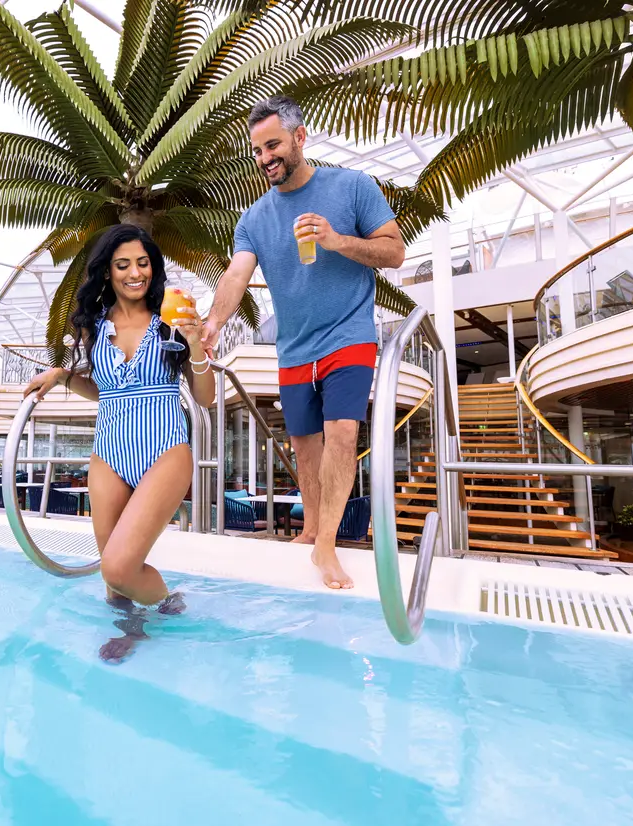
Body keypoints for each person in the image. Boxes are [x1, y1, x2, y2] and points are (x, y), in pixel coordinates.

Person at [201, 95, 406, 590]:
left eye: (272, 145)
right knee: (304, 446)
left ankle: (326, 545)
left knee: (342, 433)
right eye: (257, 150)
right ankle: (312, 527)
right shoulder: (254, 219)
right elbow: (236, 274)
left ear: (299, 137)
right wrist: (214, 322)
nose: (264, 158)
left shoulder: (352, 187)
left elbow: (395, 251)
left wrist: (337, 240)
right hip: (294, 349)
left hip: (348, 335)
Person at [24, 224, 216, 661]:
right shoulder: (95, 326)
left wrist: (195, 345)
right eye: (123, 264)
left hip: (165, 449)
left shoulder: (171, 320)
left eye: (143, 263)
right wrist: (61, 375)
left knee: (119, 566)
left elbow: (204, 398)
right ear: (107, 272)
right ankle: (133, 628)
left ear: (153, 267)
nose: (135, 273)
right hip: (109, 453)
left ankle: (168, 603)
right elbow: (106, 390)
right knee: (112, 581)